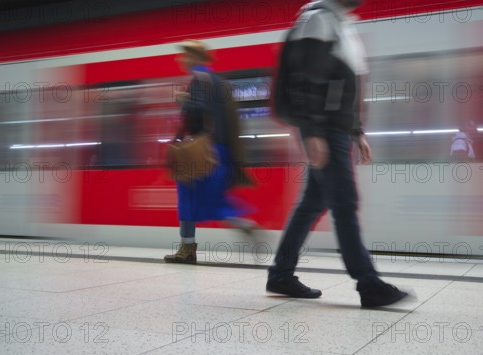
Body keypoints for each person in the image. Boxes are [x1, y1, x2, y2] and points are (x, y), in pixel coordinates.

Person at [267, 0, 408, 307]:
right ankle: (368, 283)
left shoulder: (341, 24)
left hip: (336, 128)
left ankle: (280, 274)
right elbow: (308, 78)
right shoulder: (319, 19)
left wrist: (357, 131)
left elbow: (342, 88)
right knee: (344, 202)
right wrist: (314, 131)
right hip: (325, 128)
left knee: (312, 203)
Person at [164, 40, 256, 264]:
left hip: (202, 150)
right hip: (219, 149)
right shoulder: (218, 81)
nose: (181, 59)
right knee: (210, 198)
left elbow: (202, 110)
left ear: (195, 58)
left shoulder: (199, 80)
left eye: (185, 55)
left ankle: (187, 248)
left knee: (187, 195)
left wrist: (184, 101)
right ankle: (241, 223)